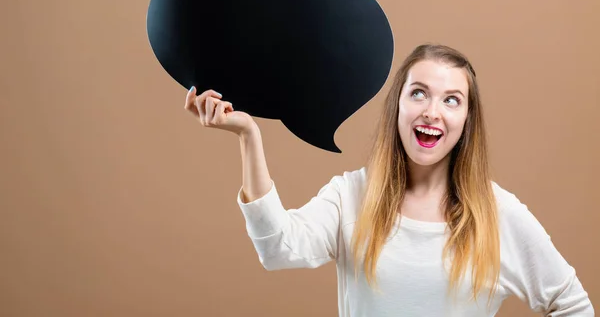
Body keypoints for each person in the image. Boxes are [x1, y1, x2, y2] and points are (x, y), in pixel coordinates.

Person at [184, 43, 594, 316]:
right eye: (419, 93)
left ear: (467, 120)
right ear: (397, 105)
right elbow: (277, 249)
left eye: (452, 100)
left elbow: (571, 304)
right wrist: (248, 135)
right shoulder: (351, 196)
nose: (433, 112)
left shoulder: (498, 214)